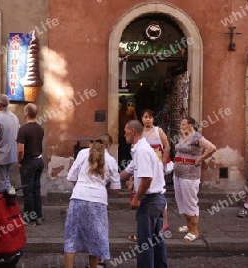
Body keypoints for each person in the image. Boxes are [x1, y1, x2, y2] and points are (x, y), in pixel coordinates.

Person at [64, 136, 121, 268]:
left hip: (78, 197)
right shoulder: (111, 160)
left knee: (71, 237)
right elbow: (116, 188)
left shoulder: (83, 153)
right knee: (95, 238)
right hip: (98, 200)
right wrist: (104, 187)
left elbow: (71, 176)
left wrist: (81, 184)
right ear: (109, 146)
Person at [119, 120, 168, 267]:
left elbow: (147, 178)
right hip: (157, 200)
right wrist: (105, 180)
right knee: (156, 240)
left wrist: (137, 198)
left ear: (133, 131)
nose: (124, 134)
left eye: (125, 131)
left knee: (145, 242)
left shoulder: (142, 151)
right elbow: (126, 172)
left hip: (150, 201)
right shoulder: (141, 149)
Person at [127, 109, 171, 242]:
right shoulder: (141, 135)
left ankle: (164, 223)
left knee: (157, 191)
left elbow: (167, 146)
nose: (148, 119)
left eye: (150, 117)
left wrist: (162, 163)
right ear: (141, 119)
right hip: (144, 166)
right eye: (145, 117)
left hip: (155, 165)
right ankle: (148, 231)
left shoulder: (158, 131)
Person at [173, 117, 216, 243]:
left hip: (190, 174)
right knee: (181, 200)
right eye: (181, 124)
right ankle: (188, 225)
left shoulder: (196, 136)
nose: (181, 126)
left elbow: (212, 148)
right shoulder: (183, 137)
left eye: (184, 124)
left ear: (191, 125)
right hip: (178, 173)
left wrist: (201, 158)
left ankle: (194, 230)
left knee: (190, 202)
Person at [17, 103, 44, 226]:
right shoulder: (40, 128)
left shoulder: (23, 129)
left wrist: (19, 160)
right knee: (36, 189)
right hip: (39, 160)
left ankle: (29, 218)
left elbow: (20, 149)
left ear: (27, 113)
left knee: (27, 190)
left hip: (28, 162)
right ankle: (38, 215)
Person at [0, 94, 20, 194]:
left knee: (0, 186)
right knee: (6, 180)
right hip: (11, 155)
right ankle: (9, 205)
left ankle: (2, 206)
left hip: (0, 156)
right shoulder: (15, 117)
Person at [118, 95, 137, 170]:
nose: (124, 103)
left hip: (130, 134)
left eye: (125, 102)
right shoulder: (118, 111)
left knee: (129, 151)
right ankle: (122, 167)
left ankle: (130, 167)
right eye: (123, 102)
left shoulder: (131, 109)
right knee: (122, 152)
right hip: (122, 135)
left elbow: (135, 120)